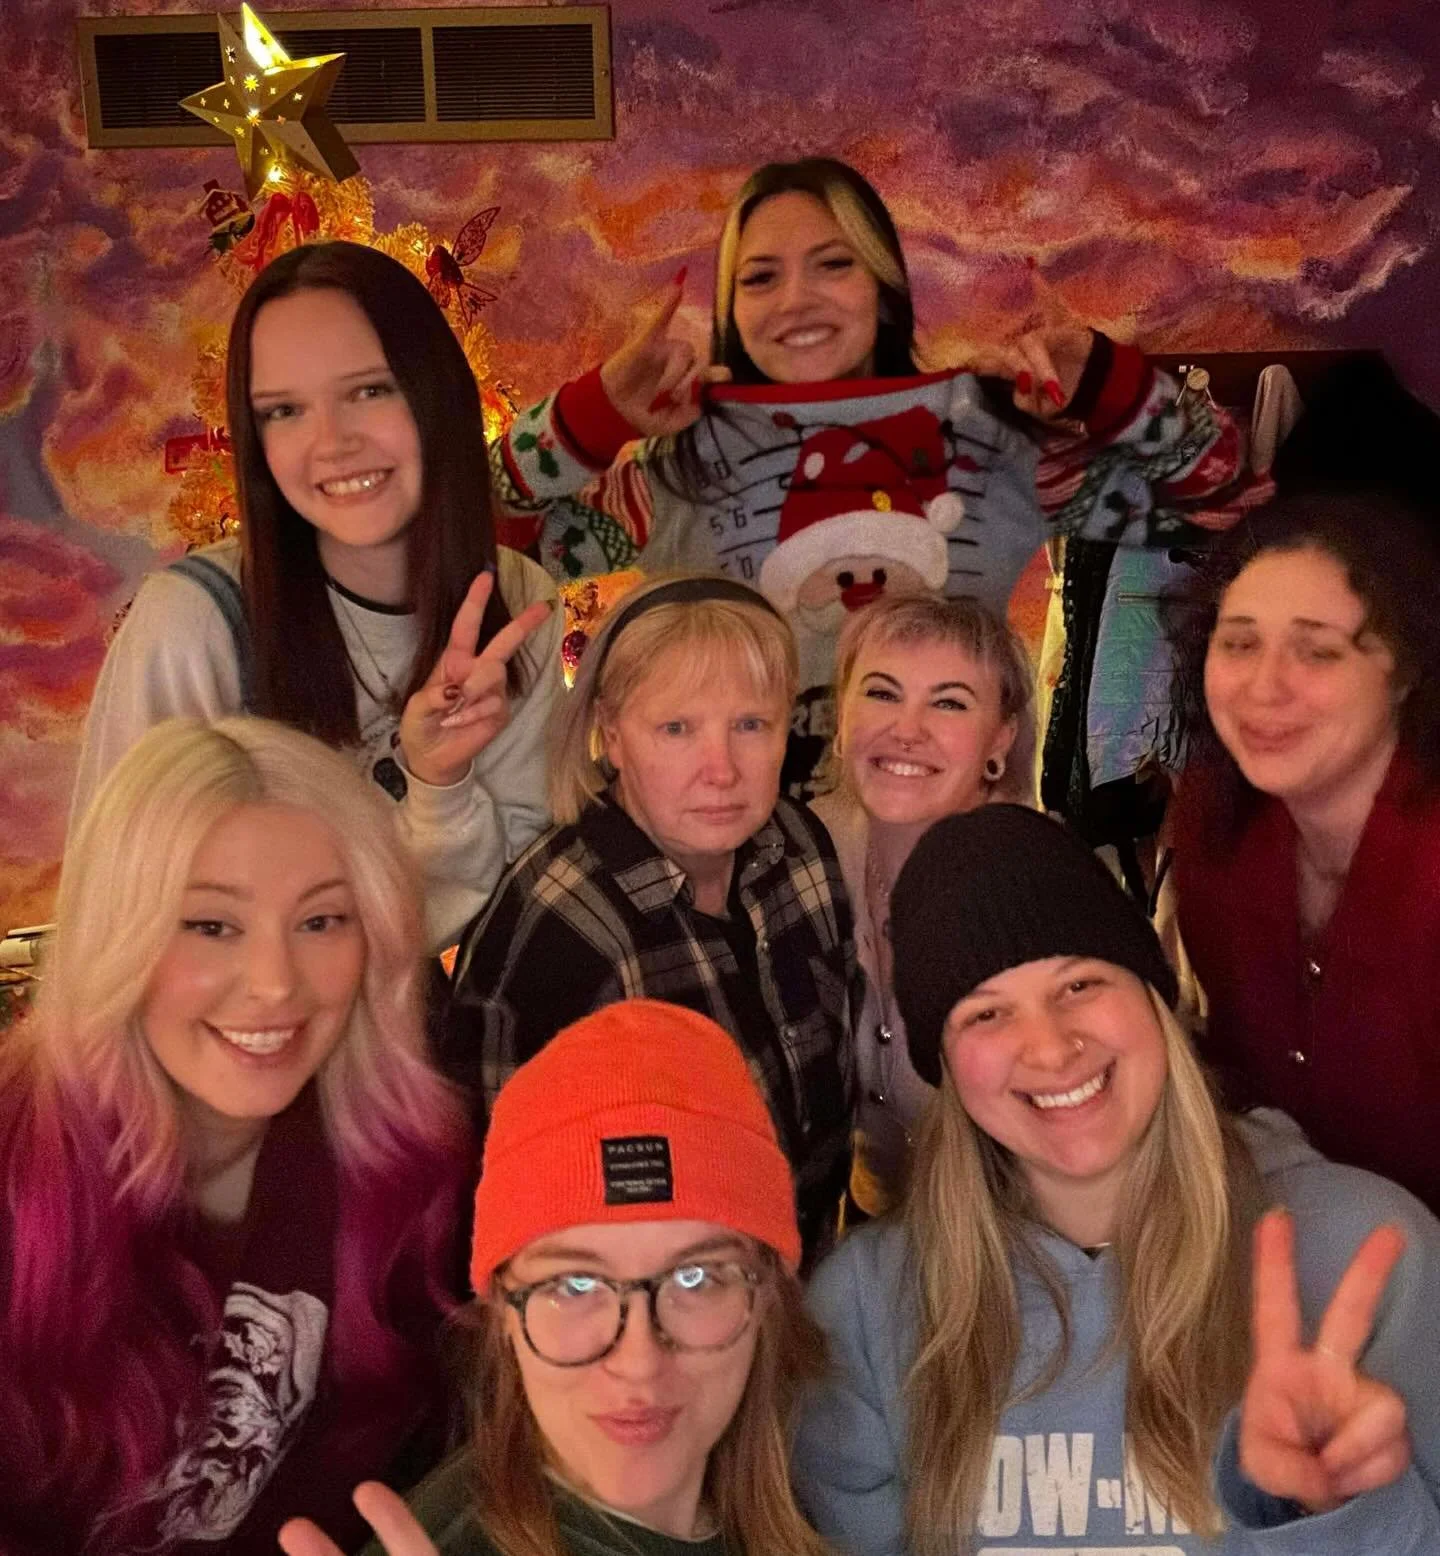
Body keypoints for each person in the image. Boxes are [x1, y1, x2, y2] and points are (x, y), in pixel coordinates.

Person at [793, 803, 1440, 1554]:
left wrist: (1338, 1515)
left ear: (1154, 999)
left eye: (1079, 986)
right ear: (946, 1072)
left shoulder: (1368, 1253)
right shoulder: (867, 1309)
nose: (1050, 1047)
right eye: (987, 1014)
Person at [491, 156, 1247, 792]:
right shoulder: (687, 461)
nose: (796, 299)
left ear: (883, 287)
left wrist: (1104, 385)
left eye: (833, 264)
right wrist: (597, 415)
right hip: (743, 881)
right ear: (730, 306)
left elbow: (1221, 499)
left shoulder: (985, 439)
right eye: (759, 278)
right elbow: (487, 540)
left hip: (950, 875)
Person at [0, 716, 471, 1556]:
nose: (273, 985)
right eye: (211, 925)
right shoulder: (19, 1178)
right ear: (120, 933)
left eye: (321, 922)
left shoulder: (410, 1160)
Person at [72, 240, 560, 950]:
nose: (331, 443)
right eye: (284, 411)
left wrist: (439, 781)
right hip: (226, 1031)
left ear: (437, 394)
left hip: (407, 1027)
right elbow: (113, 909)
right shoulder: (194, 622)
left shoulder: (514, 606)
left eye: (370, 390)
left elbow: (504, 897)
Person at [276, 998, 829, 1556]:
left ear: (764, 1300)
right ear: (503, 1315)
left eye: (695, 1279)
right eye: (575, 1286)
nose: (639, 1361)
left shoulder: (768, 1496)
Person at [443, 574, 854, 1259]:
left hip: (807, 1285)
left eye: (751, 724)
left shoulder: (800, 847)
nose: (721, 770)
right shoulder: (559, 924)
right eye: (676, 728)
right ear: (611, 731)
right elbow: (492, 1210)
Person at [1170, 488, 1440, 1214]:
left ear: (1408, 672)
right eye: (1239, 642)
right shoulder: (1211, 825)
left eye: (1317, 651)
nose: (1263, 686)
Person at [811, 593, 1033, 1214]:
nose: (907, 730)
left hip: (1015, 1232)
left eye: (949, 702)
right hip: (868, 1225)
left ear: (1000, 739)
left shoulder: (1034, 887)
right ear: (840, 719)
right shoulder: (806, 853)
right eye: (882, 693)